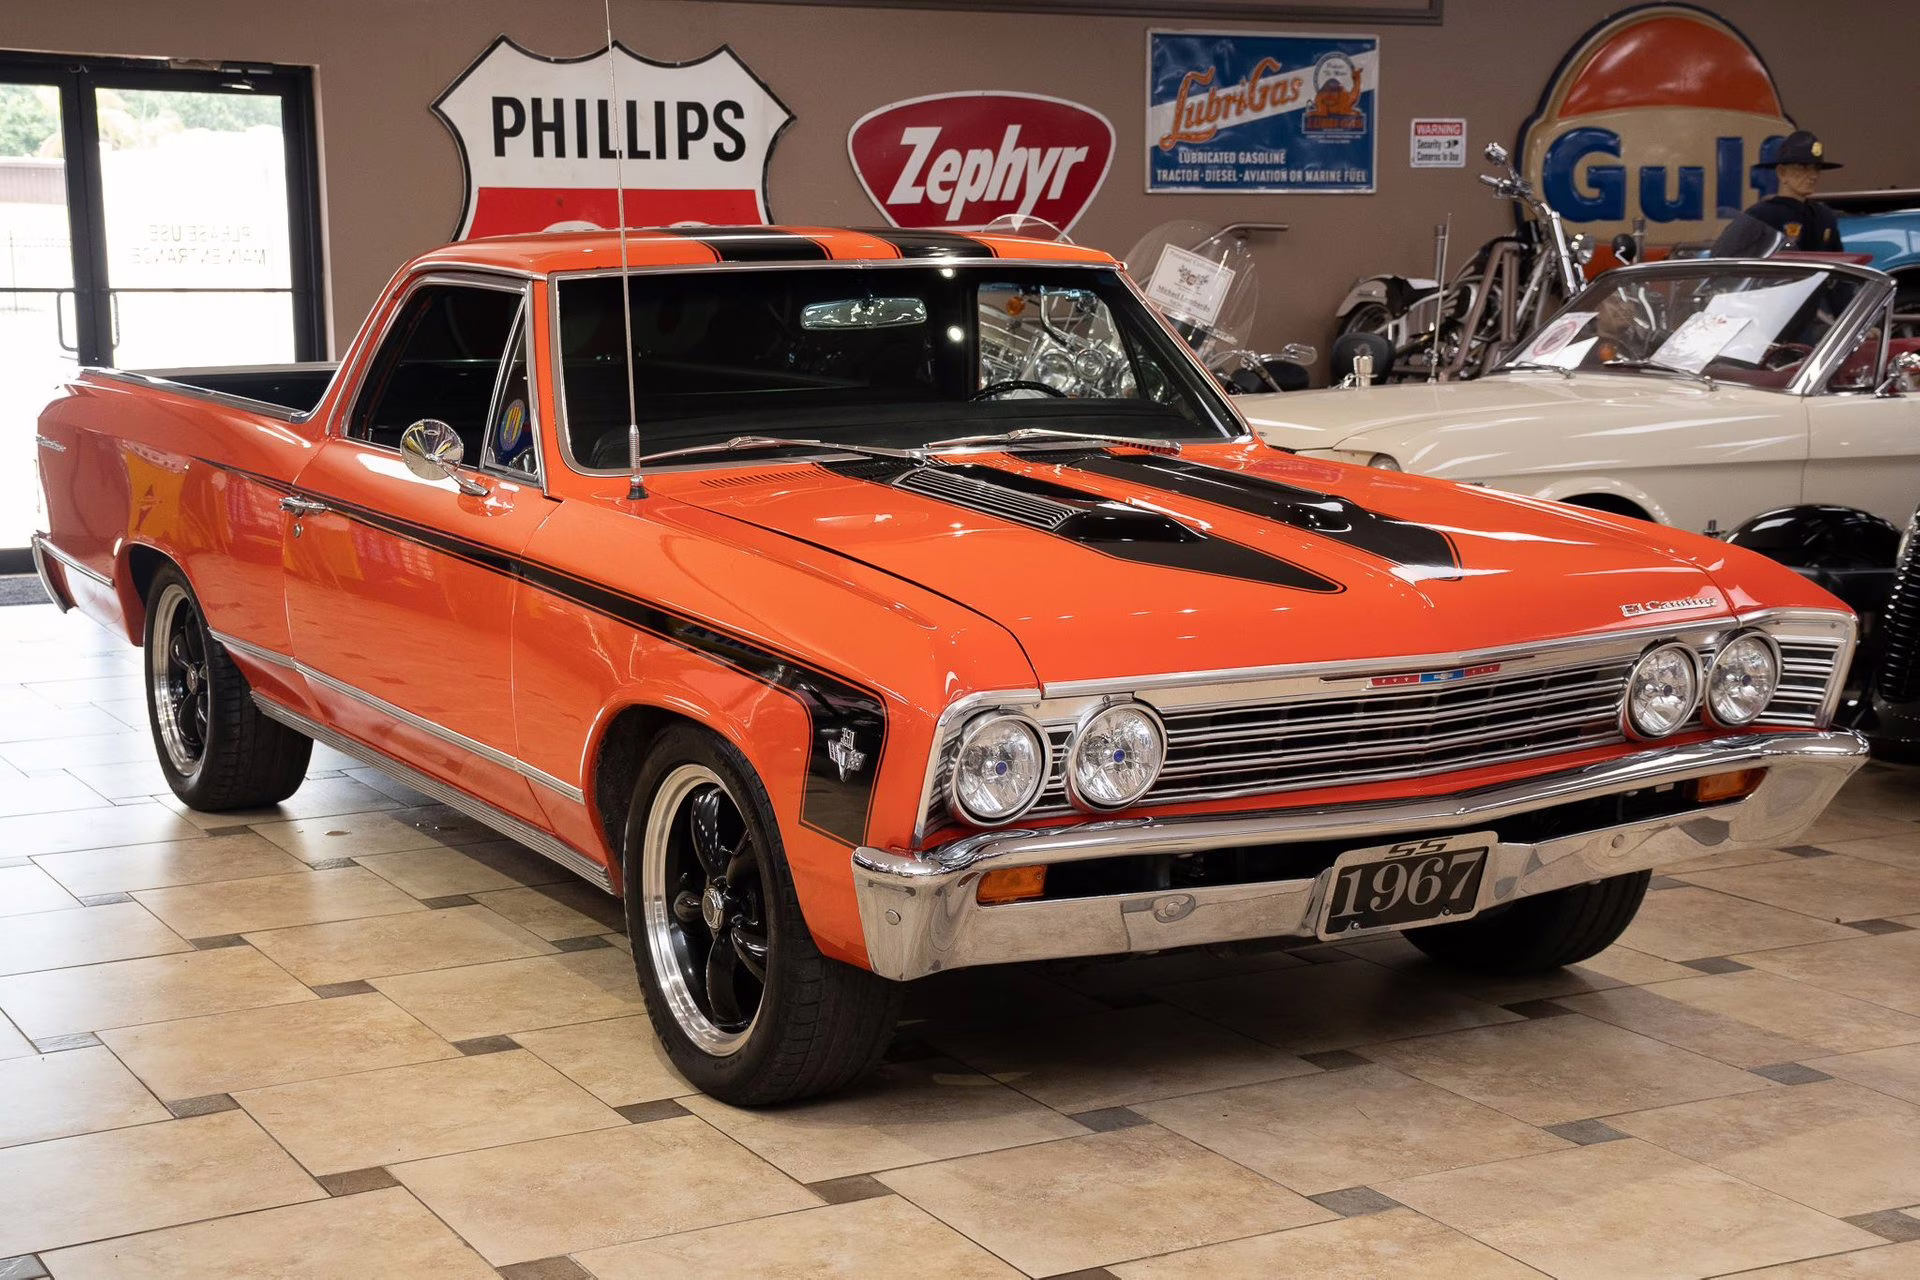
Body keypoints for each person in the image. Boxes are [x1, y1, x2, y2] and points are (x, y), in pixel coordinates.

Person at [1742, 130, 1844, 252]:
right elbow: (1728, 260)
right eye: (1803, 167)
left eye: (1816, 168)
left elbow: (1839, 262)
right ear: (1782, 173)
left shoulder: (1824, 217)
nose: (1813, 176)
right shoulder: (1760, 216)